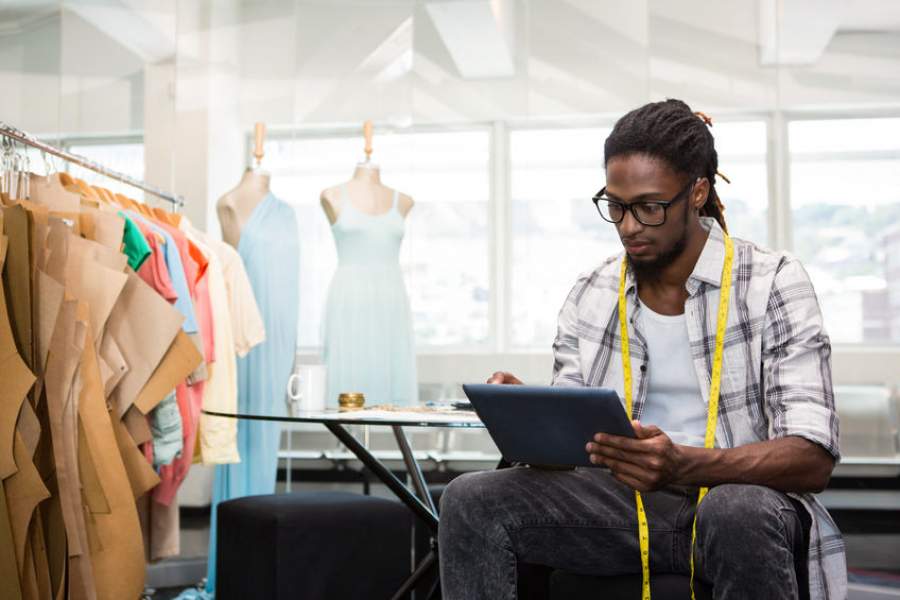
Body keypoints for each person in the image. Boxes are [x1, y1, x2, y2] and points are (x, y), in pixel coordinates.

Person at [438, 99, 845, 600]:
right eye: (616, 206)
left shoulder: (773, 282)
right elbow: (573, 457)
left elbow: (811, 458)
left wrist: (684, 464)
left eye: (650, 207)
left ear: (697, 192)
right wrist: (538, 419)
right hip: (621, 508)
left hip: (736, 506)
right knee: (471, 499)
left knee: (735, 510)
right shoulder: (591, 291)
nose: (629, 226)